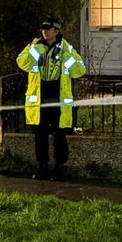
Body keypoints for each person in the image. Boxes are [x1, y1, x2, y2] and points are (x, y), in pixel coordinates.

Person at [16, 17, 87, 180]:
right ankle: (42, 167)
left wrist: (66, 59)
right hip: (39, 99)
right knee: (40, 135)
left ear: (56, 31)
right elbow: (21, 63)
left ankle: (59, 167)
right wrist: (36, 52)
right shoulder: (34, 46)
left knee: (59, 135)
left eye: (48, 29)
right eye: (43, 29)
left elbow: (79, 71)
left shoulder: (65, 48)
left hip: (59, 99)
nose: (44, 32)